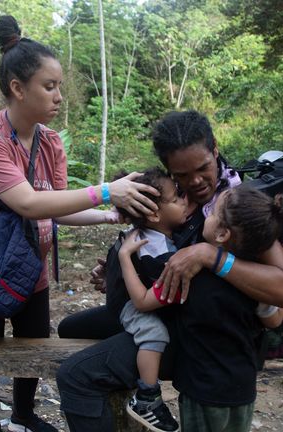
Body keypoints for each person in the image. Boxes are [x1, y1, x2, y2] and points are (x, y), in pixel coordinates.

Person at [0, 15, 158, 432]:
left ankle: (24, 415)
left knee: (34, 345)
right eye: (50, 87)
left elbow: (57, 207)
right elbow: (29, 203)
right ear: (18, 88)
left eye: (59, 86)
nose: (59, 97)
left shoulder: (50, 141)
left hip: (33, 269)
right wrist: (106, 190)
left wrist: (110, 213)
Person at [56, 110, 283, 432]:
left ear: (215, 150)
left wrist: (209, 254)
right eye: (182, 176)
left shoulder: (238, 207)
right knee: (70, 329)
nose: (195, 182)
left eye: (203, 169)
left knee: (76, 375)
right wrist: (120, 273)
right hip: (166, 308)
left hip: (200, 334)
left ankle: (146, 397)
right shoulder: (168, 195)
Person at [115, 168, 188, 432]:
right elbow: (142, 301)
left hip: (130, 297)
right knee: (154, 333)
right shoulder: (153, 250)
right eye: (176, 198)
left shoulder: (151, 235)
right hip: (131, 305)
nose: (184, 201)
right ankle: (147, 396)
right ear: (155, 214)